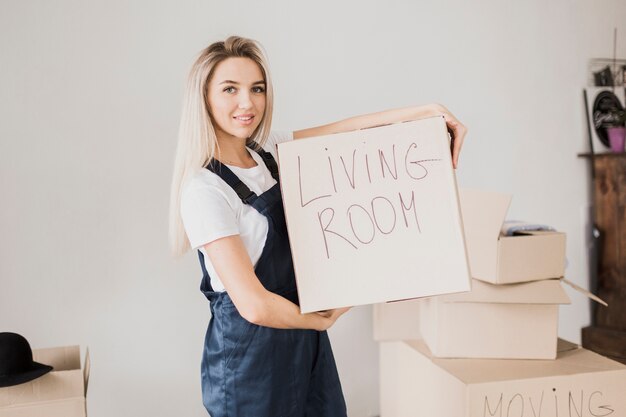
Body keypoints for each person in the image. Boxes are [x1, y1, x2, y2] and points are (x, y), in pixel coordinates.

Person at [169, 35, 467, 417]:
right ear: (204, 97)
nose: (248, 103)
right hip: (250, 361)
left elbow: (351, 131)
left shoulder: (268, 154)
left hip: (304, 344)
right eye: (231, 89)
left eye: (257, 89)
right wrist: (319, 319)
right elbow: (254, 305)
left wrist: (426, 114)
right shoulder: (204, 190)